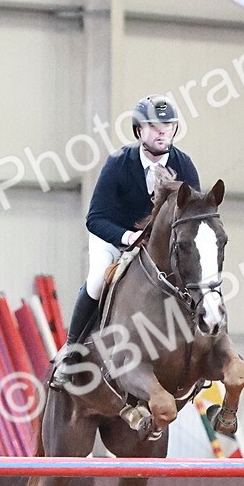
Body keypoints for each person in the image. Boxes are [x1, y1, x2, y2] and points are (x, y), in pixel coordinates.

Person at [49, 94, 201, 389]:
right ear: (139, 131)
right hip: (114, 238)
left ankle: (199, 347)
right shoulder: (119, 163)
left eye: (168, 126)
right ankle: (71, 352)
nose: (162, 132)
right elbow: (94, 218)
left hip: (158, 247)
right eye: (154, 126)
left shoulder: (185, 165)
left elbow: (193, 217)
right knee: (96, 281)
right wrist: (127, 237)